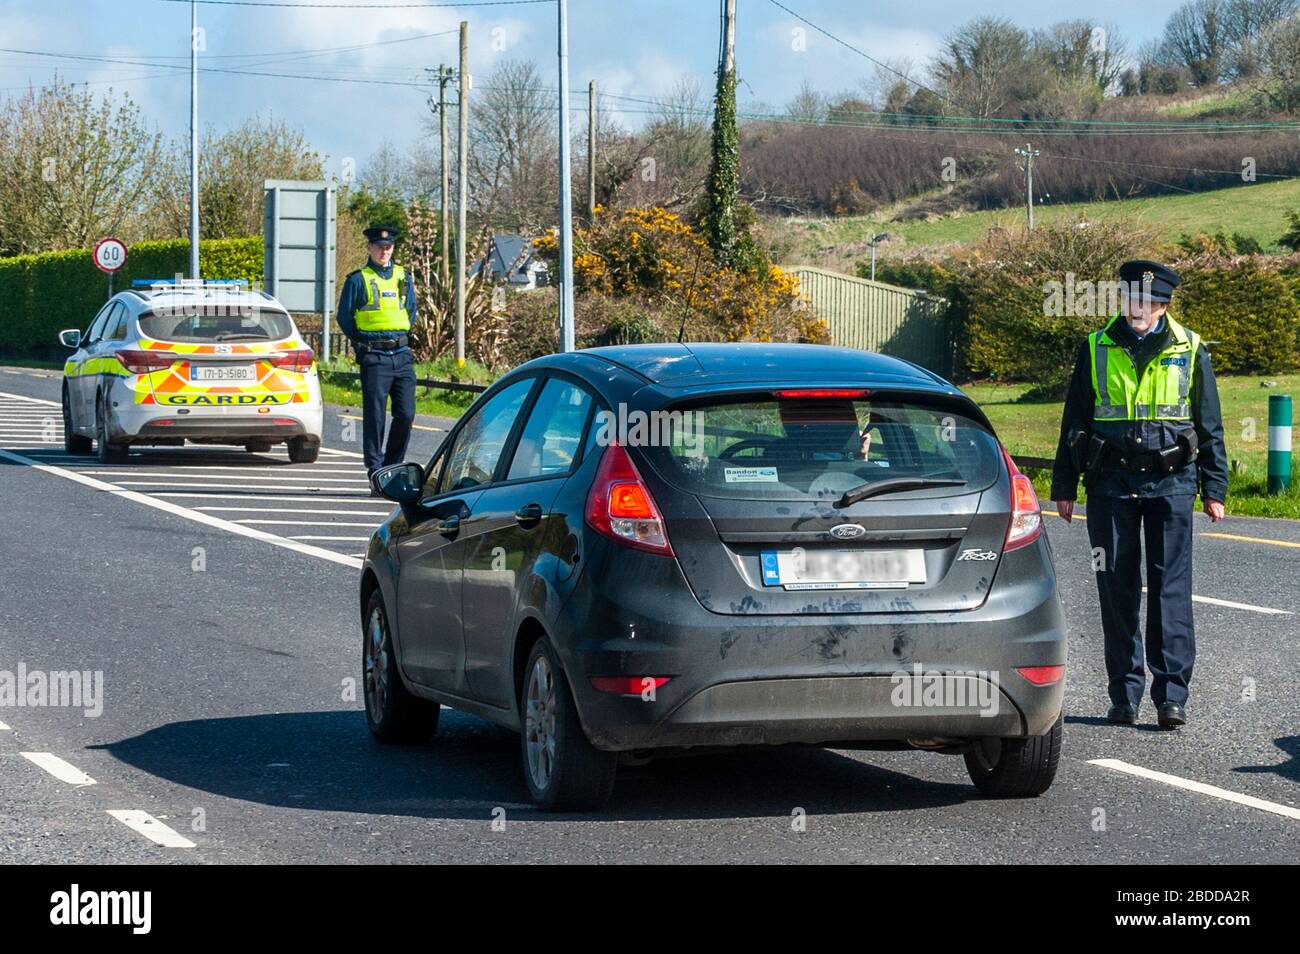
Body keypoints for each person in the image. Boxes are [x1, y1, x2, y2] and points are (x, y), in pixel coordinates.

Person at [1051, 260, 1228, 730]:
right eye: (1131, 299)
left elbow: (1209, 422)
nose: (1138, 308)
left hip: (1172, 484)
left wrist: (1215, 486)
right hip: (1110, 484)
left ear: (1164, 304)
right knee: (1116, 587)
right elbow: (1075, 420)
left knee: (1170, 588)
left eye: (1148, 301)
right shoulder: (1095, 346)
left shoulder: (1191, 348)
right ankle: (1124, 694)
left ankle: (1171, 696)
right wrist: (1064, 484)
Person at [336, 225, 418, 491]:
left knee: (405, 414)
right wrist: (362, 344)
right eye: (380, 247)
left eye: (389, 247)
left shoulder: (403, 277)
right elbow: (345, 318)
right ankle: (376, 470)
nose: (384, 251)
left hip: (402, 354)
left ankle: (392, 469)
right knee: (375, 416)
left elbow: (411, 311)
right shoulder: (358, 279)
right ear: (370, 248)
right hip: (375, 356)